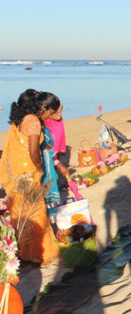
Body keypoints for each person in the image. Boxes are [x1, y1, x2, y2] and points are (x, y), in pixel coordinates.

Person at [0, 89, 60, 265]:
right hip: (27, 173)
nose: (51, 115)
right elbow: (34, 151)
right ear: (42, 108)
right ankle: (39, 254)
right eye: (51, 111)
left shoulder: (22, 118)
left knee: (21, 214)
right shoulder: (33, 121)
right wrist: (40, 167)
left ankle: (24, 252)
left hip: (17, 173)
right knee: (35, 213)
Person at [39, 93, 69, 221]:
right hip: (45, 160)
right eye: (51, 112)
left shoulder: (43, 120)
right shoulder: (39, 123)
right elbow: (43, 150)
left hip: (49, 157)